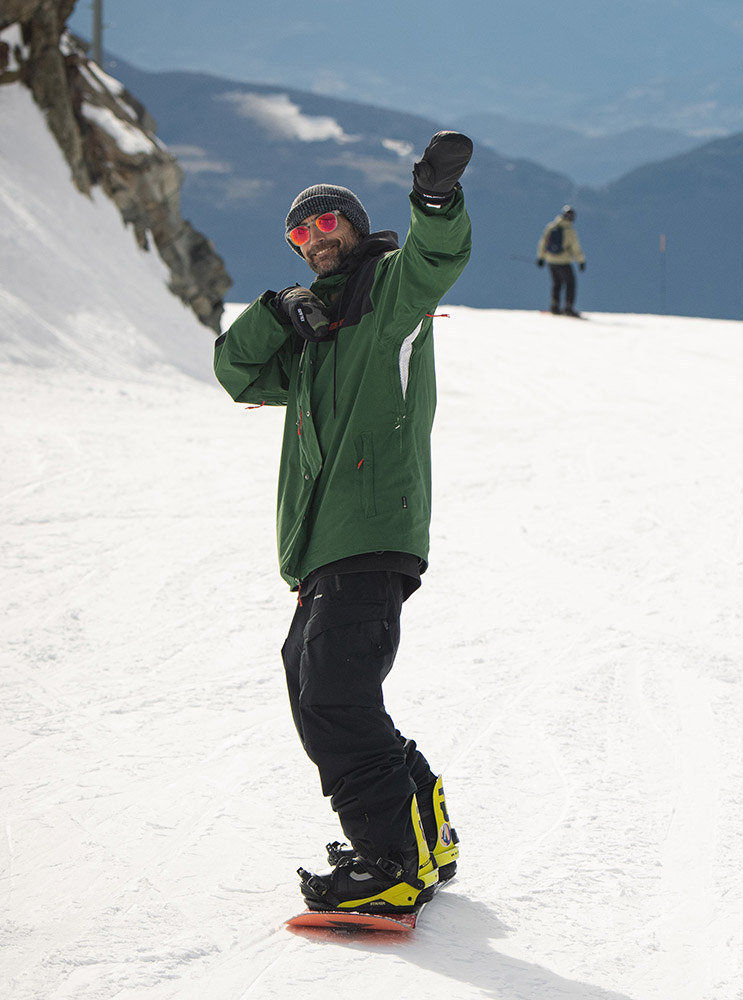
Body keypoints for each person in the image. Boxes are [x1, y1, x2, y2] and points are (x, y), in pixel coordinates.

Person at [213, 132, 473, 914]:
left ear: (355, 230)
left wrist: (434, 200)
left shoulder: (389, 294)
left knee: (333, 691)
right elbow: (235, 372)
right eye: (301, 233)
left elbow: (437, 257)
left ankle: (390, 862)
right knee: (317, 682)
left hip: (369, 529)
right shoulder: (311, 332)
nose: (317, 240)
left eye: (330, 224)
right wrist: (274, 310)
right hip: (323, 548)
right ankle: (423, 831)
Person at [536, 205, 586, 316]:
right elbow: (576, 248)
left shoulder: (550, 227)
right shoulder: (570, 231)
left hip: (550, 261)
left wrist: (541, 258)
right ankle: (568, 308)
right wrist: (581, 261)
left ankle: (554, 307)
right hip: (564, 262)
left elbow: (542, 243)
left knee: (556, 284)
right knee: (570, 284)